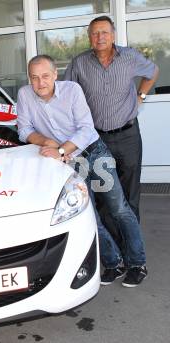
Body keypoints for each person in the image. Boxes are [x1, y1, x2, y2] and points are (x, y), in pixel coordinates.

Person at [17, 55, 147, 288]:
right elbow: (24, 129)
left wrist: (59, 149)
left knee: (119, 209)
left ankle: (137, 263)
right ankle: (113, 263)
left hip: (93, 154)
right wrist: (46, 141)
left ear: (55, 74)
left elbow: (86, 130)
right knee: (89, 216)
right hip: (70, 163)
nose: (40, 83)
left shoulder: (72, 90)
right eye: (34, 78)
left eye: (45, 76)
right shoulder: (25, 94)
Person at [64, 15, 159, 229]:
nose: (100, 37)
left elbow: (153, 72)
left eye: (104, 32)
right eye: (95, 33)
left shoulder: (130, 57)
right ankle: (112, 251)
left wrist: (140, 96)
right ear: (89, 37)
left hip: (128, 136)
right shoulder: (79, 63)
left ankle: (132, 249)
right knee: (104, 195)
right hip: (96, 140)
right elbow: (66, 95)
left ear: (113, 35)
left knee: (130, 192)